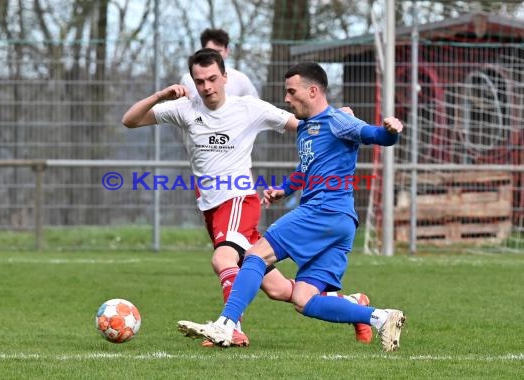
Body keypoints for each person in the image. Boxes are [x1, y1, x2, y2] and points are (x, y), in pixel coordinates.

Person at [123, 50, 371, 348]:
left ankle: (231, 328)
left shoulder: (249, 108)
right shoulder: (184, 108)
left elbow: (307, 123)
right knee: (280, 290)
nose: (207, 87)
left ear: (226, 77)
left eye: (213, 78)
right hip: (212, 208)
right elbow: (130, 120)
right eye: (200, 81)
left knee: (222, 258)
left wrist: (340, 118)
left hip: (240, 199)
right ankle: (354, 307)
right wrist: (161, 95)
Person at [177, 62, 407, 352]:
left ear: (312, 91)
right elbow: (305, 168)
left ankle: (227, 324)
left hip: (324, 211)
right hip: (340, 222)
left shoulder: (338, 121)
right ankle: (380, 317)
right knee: (303, 298)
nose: (286, 99)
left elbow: (375, 135)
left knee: (255, 255)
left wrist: (391, 131)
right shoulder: (307, 128)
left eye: (291, 91)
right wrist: (283, 190)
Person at [180, 28, 258, 98]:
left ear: (226, 51)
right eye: (209, 50)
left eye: (218, 51)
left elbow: (256, 107)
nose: (213, 55)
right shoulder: (187, 80)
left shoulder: (240, 80)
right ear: (203, 50)